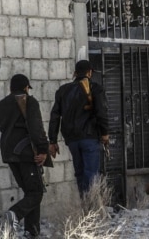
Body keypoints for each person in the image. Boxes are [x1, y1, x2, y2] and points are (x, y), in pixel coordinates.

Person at [0, 74, 48, 238]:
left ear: (11, 88)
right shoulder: (29, 101)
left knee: (31, 192)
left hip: (9, 153)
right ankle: (14, 215)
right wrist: (43, 150)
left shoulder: (1, 105)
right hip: (26, 153)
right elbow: (36, 127)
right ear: (26, 87)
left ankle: (31, 232)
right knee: (36, 193)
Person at [49, 60, 109, 198]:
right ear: (90, 73)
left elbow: (55, 116)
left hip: (72, 140)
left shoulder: (62, 90)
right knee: (91, 174)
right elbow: (102, 112)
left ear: (75, 73)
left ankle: (86, 208)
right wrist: (105, 133)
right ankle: (91, 208)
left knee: (80, 173)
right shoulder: (95, 88)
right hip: (89, 137)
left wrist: (52, 140)